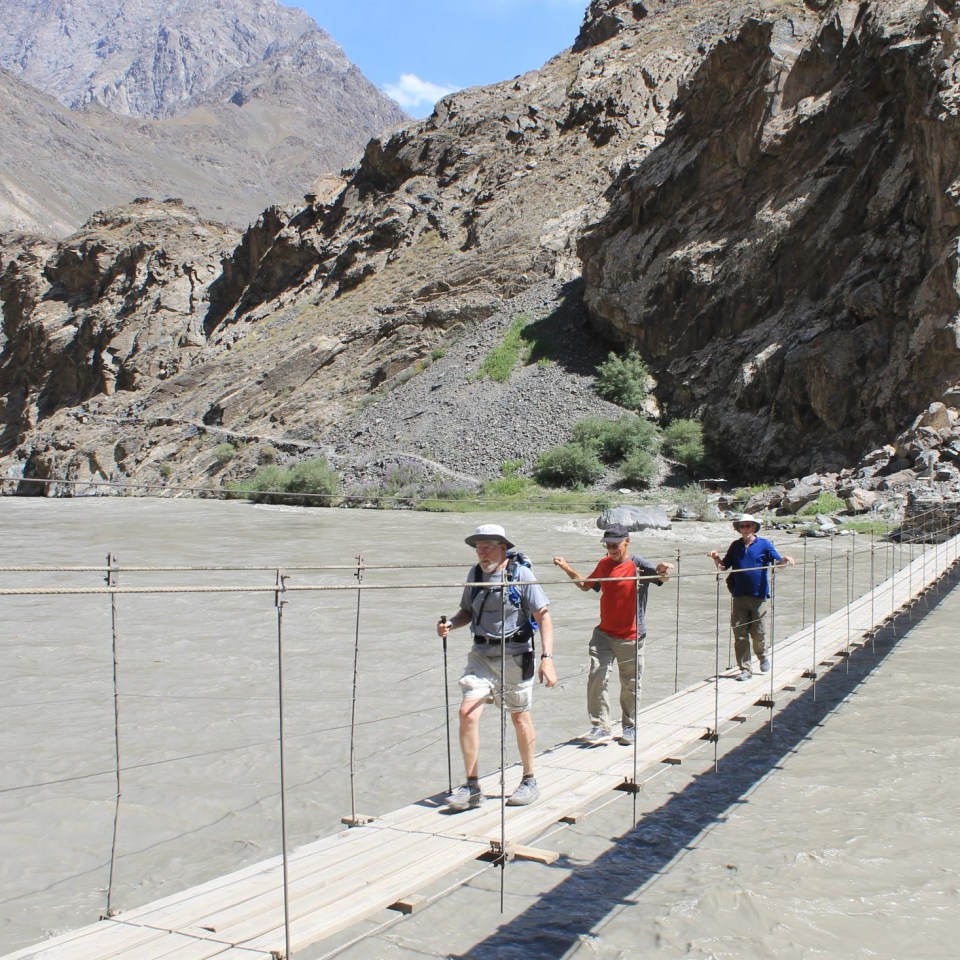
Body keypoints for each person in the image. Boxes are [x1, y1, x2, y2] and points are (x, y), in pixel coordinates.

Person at [437, 523, 557, 811]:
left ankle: (529, 779)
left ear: (504, 548)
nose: (481, 551)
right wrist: (451, 624)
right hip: (480, 655)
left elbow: (543, 616)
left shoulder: (521, 574)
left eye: (487, 546)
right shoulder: (475, 573)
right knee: (466, 712)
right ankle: (472, 785)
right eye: (478, 547)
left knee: (519, 718)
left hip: (516, 656)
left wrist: (547, 658)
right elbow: (466, 610)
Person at [552, 523, 672, 745]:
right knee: (596, 676)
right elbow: (585, 585)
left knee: (630, 683)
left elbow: (660, 578)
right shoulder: (604, 564)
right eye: (607, 544)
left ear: (627, 542)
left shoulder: (638, 564)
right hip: (604, 634)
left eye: (615, 544)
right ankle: (600, 726)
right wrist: (566, 567)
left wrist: (663, 571)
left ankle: (630, 727)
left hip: (631, 636)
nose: (611, 548)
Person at [709, 513, 795, 681]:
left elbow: (778, 564)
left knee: (759, 633)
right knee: (740, 635)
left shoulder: (764, 544)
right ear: (738, 529)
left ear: (755, 527)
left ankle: (762, 656)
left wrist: (785, 560)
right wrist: (716, 558)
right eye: (742, 526)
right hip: (739, 596)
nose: (745, 529)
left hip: (759, 596)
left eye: (749, 525)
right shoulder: (735, 546)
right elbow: (723, 567)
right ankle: (745, 669)